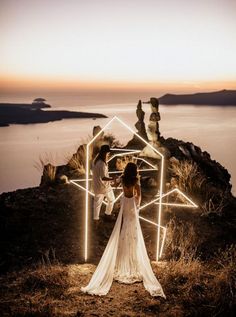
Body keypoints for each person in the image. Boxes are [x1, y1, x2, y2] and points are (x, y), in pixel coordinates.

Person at [81, 162, 166, 298]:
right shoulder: (135, 181)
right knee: (132, 230)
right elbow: (139, 196)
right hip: (131, 204)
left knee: (124, 229)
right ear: (135, 171)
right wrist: (137, 206)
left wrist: (110, 183)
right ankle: (131, 263)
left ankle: (122, 264)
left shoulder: (123, 179)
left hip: (124, 204)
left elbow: (114, 185)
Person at [92, 145, 116, 222]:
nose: (108, 155)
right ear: (104, 153)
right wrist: (113, 178)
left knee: (97, 204)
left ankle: (96, 219)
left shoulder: (95, 161)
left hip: (97, 186)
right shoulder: (102, 163)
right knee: (112, 200)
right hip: (104, 187)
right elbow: (103, 177)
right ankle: (107, 214)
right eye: (108, 153)